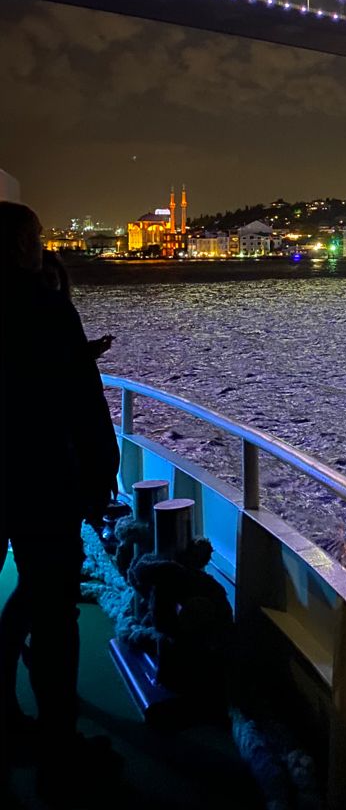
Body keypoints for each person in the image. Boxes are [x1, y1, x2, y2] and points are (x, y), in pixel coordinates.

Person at [0, 202, 119, 791]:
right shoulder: (46, 307)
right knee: (53, 609)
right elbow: (81, 404)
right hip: (40, 476)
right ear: (22, 245)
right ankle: (59, 753)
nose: (44, 245)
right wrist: (100, 475)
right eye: (38, 236)